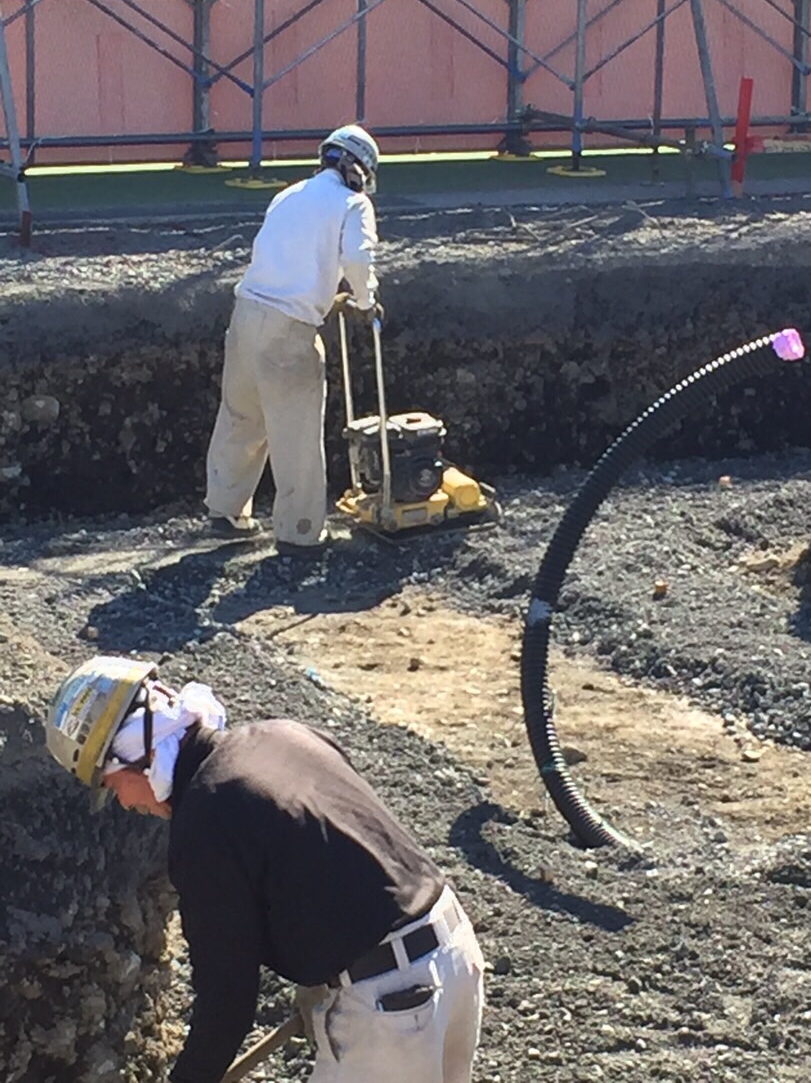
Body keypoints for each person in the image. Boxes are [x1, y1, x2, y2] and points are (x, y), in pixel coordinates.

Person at [45, 655, 485, 1083]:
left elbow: (228, 999)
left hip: (394, 1004)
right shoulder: (282, 737)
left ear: (133, 756)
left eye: (111, 784)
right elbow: (343, 857)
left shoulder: (205, 819)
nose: (124, 803)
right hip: (452, 952)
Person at [205, 123, 382, 557]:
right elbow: (357, 258)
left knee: (241, 417)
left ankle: (225, 510)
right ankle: (300, 533)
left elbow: (282, 254)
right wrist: (364, 300)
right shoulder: (352, 204)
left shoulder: (289, 194)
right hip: (290, 329)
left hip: (246, 314)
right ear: (358, 170)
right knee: (297, 434)